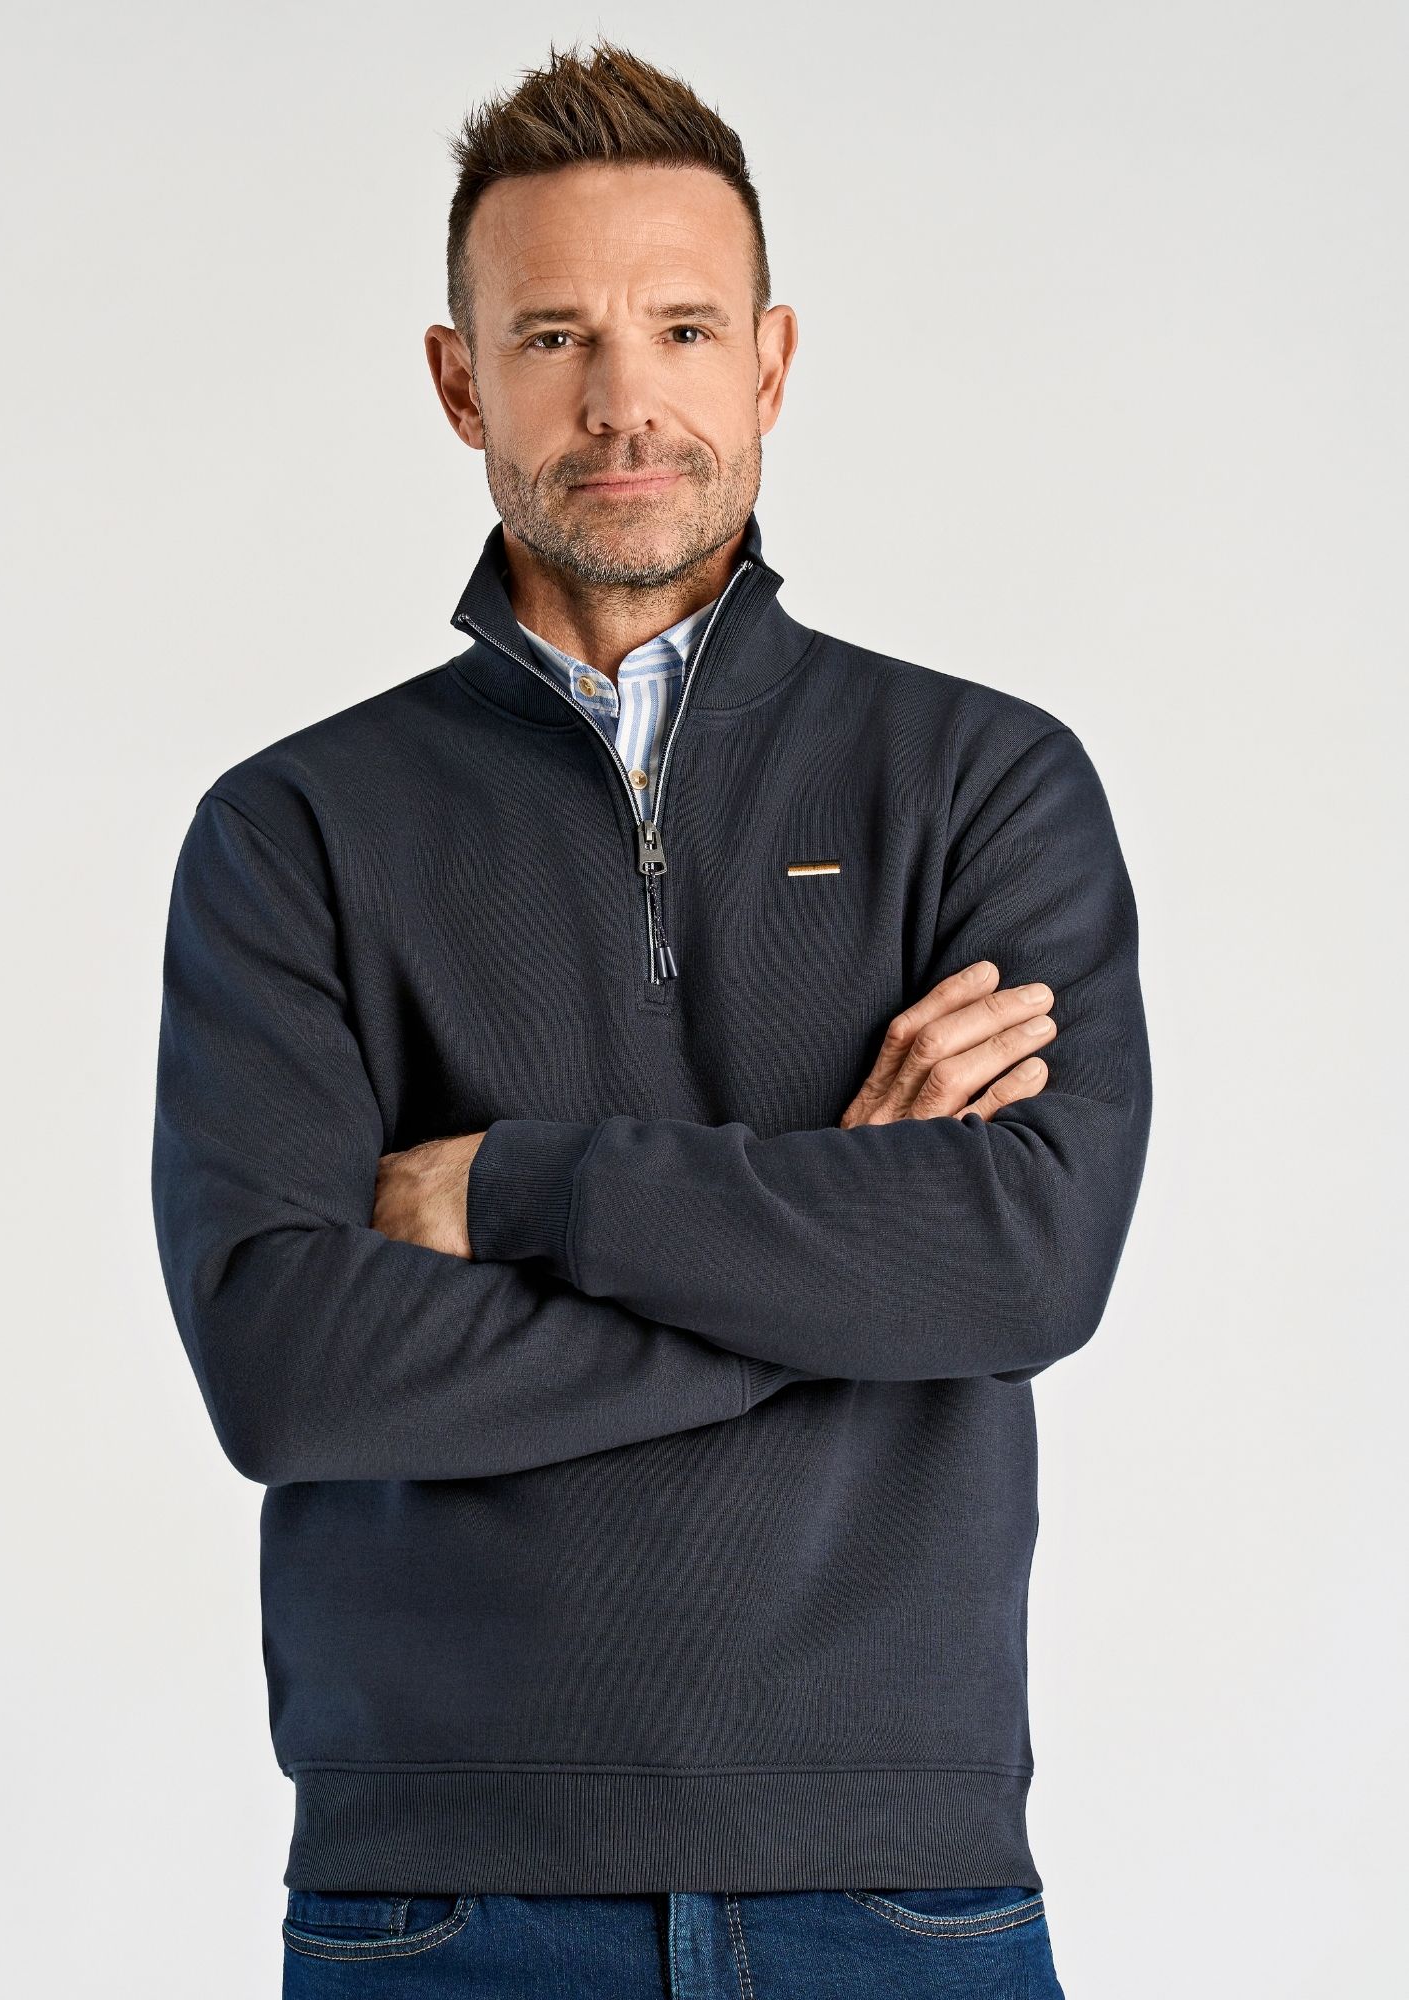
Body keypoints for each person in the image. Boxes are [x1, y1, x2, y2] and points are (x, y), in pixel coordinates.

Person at [150, 35, 1150, 1998]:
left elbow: (1023, 1261)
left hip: (901, 1892)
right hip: (440, 1903)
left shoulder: (981, 781)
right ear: (462, 382)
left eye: (683, 330)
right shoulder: (294, 830)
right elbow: (287, 1366)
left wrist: (517, 1188)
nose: (625, 400)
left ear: (768, 364)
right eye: (554, 338)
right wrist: (837, 1260)